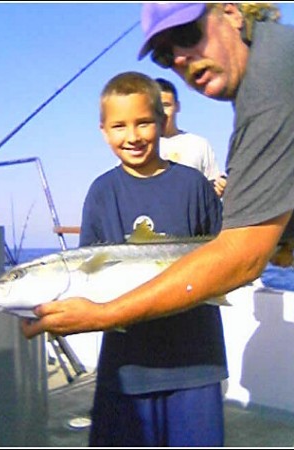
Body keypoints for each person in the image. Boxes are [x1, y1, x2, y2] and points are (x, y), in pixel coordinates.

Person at [22, 3, 294, 359]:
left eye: (188, 34)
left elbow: (242, 256)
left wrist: (104, 314)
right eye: (164, 54)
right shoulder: (274, 65)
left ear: (233, 13)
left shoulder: (270, 84)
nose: (181, 58)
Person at [56, 71, 228, 446]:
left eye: (143, 123)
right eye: (118, 126)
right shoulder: (101, 193)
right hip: (126, 368)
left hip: (195, 363)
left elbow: (222, 259)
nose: (132, 136)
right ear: (103, 131)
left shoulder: (194, 185)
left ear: (162, 122)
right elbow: (89, 273)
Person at [156, 77, 227, 197]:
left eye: (166, 105)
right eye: (156, 107)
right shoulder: (139, 147)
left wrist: (220, 188)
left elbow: (213, 189)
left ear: (177, 106)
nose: (162, 112)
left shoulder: (198, 144)